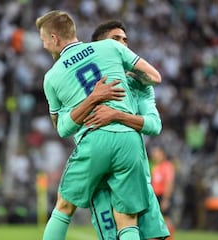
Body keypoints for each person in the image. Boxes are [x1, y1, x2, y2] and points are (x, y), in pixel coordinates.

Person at [36, 10, 162, 240]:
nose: (44, 46)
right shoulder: (111, 49)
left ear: (54, 38)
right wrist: (128, 78)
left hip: (94, 141)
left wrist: (92, 100)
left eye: (44, 40)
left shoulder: (52, 77)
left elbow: (63, 129)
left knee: (64, 207)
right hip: (130, 142)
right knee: (127, 218)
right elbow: (154, 77)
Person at [84, 20, 170, 240]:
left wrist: (117, 115)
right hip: (103, 182)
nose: (123, 44)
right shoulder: (83, 83)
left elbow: (154, 125)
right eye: (116, 39)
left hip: (137, 175)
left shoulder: (139, 85)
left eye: (125, 40)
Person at [150, 147, 176, 239]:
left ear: (163, 154)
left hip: (163, 195)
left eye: (157, 153)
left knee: (167, 217)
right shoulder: (155, 166)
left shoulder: (167, 166)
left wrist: (166, 199)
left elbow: (169, 183)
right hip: (155, 195)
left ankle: (169, 237)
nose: (155, 155)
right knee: (156, 217)